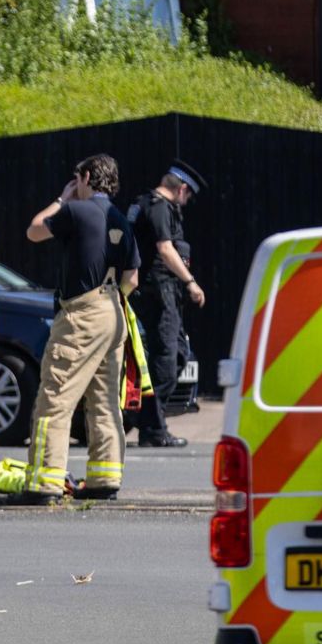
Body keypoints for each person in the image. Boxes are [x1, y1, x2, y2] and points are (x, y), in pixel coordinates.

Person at [0, 154, 139, 505]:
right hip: (113, 312)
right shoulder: (120, 218)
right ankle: (105, 477)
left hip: (81, 313)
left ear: (87, 177)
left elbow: (34, 230)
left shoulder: (76, 211)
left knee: (55, 398)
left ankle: (44, 482)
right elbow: (132, 279)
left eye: (76, 178)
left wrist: (62, 198)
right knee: (105, 400)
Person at [130, 160, 208, 449]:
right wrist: (190, 282)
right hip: (160, 291)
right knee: (166, 357)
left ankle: (149, 418)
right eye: (188, 197)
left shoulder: (143, 203)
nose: (186, 204)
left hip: (160, 292)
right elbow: (165, 249)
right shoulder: (159, 207)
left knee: (176, 354)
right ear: (182, 189)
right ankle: (148, 422)